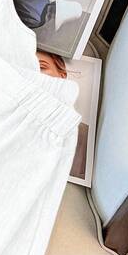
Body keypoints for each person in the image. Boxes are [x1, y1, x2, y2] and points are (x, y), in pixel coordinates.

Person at [36, 50, 88, 180]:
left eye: (42, 67)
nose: (35, 75)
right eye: (29, 69)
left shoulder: (82, 133)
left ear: (62, 75)